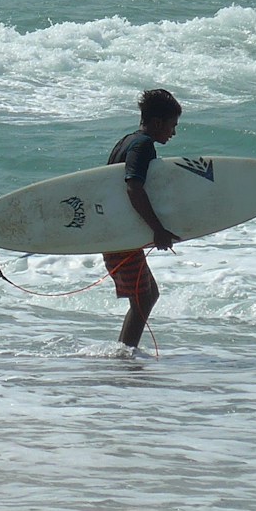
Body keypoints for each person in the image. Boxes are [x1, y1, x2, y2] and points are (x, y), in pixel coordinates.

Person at [102, 88, 181, 349]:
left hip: (116, 232)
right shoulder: (143, 145)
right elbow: (133, 187)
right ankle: (124, 357)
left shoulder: (126, 140)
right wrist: (157, 230)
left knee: (147, 295)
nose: (174, 132)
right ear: (158, 122)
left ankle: (125, 354)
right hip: (120, 237)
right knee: (143, 298)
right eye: (172, 125)